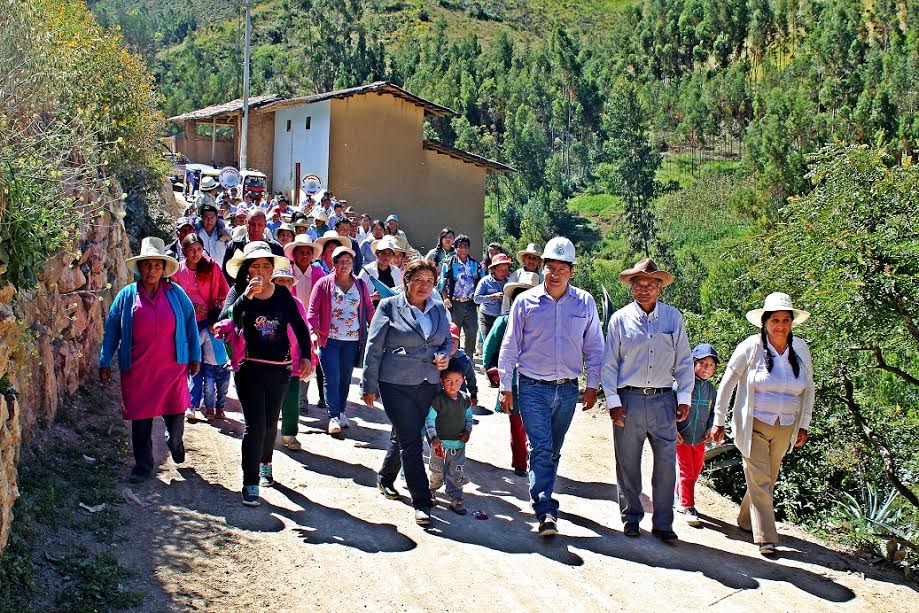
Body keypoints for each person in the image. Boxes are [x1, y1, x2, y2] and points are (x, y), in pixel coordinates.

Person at [497, 237, 603, 537]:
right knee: (541, 447)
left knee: (553, 450)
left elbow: (595, 345)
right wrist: (506, 385)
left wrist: (592, 384)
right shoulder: (525, 302)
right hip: (532, 387)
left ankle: (540, 489)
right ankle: (545, 507)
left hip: (568, 389)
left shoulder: (584, 302)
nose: (555, 273)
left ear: (572, 271)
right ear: (542, 267)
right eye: (550, 267)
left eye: (562, 268)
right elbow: (510, 344)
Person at [710, 292, 814, 556]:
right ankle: (766, 537)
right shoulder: (751, 347)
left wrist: (804, 424)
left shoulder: (800, 349)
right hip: (753, 422)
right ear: (765, 322)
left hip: (785, 425)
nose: (781, 326)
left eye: (785, 320)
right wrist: (719, 419)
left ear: (792, 322)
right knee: (759, 477)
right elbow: (727, 384)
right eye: (775, 320)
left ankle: (746, 520)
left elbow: (809, 389)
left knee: (768, 478)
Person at [601, 257, 694, 542]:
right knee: (627, 462)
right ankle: (631, 517)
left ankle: (664, 523)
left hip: (664, 400)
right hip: (629, 400)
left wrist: (685, 396)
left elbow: (684, 361)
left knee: (666, 463)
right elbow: (609, 364)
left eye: (650, 284)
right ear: (631, 288)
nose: (644, 289)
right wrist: (613, 402)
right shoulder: (620, 319)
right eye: (638, 284)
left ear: (659, 288)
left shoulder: (672, 318)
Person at [99, 237, 201, 483]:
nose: (151, 270)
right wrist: (105, 361)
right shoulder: (126, 296)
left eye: (157, 266)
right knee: (141, 419)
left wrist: (195, 356)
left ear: (163, 269)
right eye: (147, 265)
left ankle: (175, 443)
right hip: (138, 369)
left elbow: (190, 325)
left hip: (172, 367)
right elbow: (112, 329)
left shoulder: (176, 294)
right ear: (140, 267)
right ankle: (143, 465)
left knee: (176, 413)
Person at [220, 241, 312, 506]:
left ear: (273, 269)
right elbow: (226, 320)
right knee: (254, 425)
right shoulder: (239, 291)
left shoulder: (283, 295)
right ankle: (250, 483)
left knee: (271, 422)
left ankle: (265, 462)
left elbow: (300, 326)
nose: (260, 270)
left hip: (279, 369)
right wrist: (245, 297)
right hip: (248, 368)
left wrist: (305, 355)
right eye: (255, 265)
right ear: (247, 270)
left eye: (265, 265)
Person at [362, 260, 451, 526]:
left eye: (429, 281)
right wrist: (368, 385)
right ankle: (422, 500)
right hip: (395, 384)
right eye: (419, 280)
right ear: (407, 281)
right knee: (412, 439)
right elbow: (374, 346)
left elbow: (446, 340)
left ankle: (385, 477)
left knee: (405, 434)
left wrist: (445, 355)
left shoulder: (436, 309)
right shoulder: (388, 306)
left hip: (428, 383)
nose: (424, 286)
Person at [307, 245, 375, 434]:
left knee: (345, 378)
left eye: (348, 261)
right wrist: (313, 332)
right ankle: (333, 417)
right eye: (341, 262)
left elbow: (369, 310)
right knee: (332, 377)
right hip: (328, 340)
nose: (345, 265)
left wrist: (378, 328)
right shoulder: (323, 284)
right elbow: (312, 312)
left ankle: (341, 411)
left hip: (352, 340)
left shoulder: (360, 284)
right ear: (334, 264)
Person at [482, 271, 540, 476]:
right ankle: (521, 463)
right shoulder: (504, 321)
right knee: (519, 424)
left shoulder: (543, 323)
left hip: (538, 381)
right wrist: (492, 372)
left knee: (531, 424)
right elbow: (490, 348)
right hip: (514, 382)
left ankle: (529, 462)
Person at [173, 234, 230, 421]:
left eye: (199, 249)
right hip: (188, 322)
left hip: (209, 320)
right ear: (184, 252)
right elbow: (173, 297)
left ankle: (210, 405)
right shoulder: (178, 271)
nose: (196, 254)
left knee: (210, 363)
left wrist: (218, 310)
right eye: (192, 250)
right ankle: (191, 404)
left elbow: (225, 292)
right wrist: (191, 305)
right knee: (193, 361)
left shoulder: (212, 267)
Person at [677, 343, 718, 527]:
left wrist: (711, 428)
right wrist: (672, 429)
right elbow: (669, 407)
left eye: (710, 365)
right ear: (693, 363)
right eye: (702, 363)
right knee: (687, 471)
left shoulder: (711, 390)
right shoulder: (682, 385)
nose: (706, 368)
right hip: (681, 438)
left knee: (696, 469)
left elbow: (713, 412)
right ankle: (688, 506)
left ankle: (678, 495)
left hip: (700, 438)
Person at [270, 267, 310, 450]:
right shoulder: (265, 303)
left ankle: (289, 434)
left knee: (292, 401)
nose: (285, 285)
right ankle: (266, 432)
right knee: (269, 401)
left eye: (288, 281)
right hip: (269, 363)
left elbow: (304, 333)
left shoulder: (297, 304)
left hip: (292, 363)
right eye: (280, 281)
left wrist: (307, 358)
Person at [426, 363, 473, 515]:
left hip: (458, 444)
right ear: (442, 381)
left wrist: (467, 431)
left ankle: (456, 497)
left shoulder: (465, 399)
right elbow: (430, 419)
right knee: (436, 470)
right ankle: (431, 491)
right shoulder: (438, 400)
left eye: (457, 381)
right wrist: (433, 436)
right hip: (439, 444)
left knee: (456, 472)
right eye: (448, 381)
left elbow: (469, 418)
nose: (453, 385)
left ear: (463, 381)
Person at [439, 234, 483, 358]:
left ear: (468, 248)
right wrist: (445, 298)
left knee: (471, 331)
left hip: (470, 303)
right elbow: (442, 282)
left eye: (465, 246)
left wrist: (479, 299)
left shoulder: (475, 265)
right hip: (455, 303)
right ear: (455, 248)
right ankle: (454, 357)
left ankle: (468, 358)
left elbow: (481, 281)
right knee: (454, 331)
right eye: (460, 246)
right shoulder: (449, 263)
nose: (463, 249)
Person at [222, 208, 285, 282]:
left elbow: (280, 276)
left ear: (265, 225)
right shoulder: (234, 246)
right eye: (252, 224)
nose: (256, 228)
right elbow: (225, 274)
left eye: (260, 225)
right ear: (246, 223)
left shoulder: (276, 248)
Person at [474, 252, 512, 344]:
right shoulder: (485, 281)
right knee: (488, 344)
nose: (503, 272)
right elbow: (476, 299)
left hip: (502, 318)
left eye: (505, 270)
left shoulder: (510, 282)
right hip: (486, 317)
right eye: (500, 270)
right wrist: (492, 297)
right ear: (494, 269)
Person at [358, 235, 403, 305]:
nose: (387, 257)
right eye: (384, 253)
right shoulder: (367, 270)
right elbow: (357, 294)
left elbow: (400, 294)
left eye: (390, 254)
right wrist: (373, 298)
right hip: (371, 310)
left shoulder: (396, 271)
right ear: (377, 254)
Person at [447, 323, 478, 406]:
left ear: (458, 343)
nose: (449, 345)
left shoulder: (464, 360)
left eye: (453, 342)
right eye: (446, 342)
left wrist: (473, 394)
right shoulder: (436, 358)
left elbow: (471, 377)